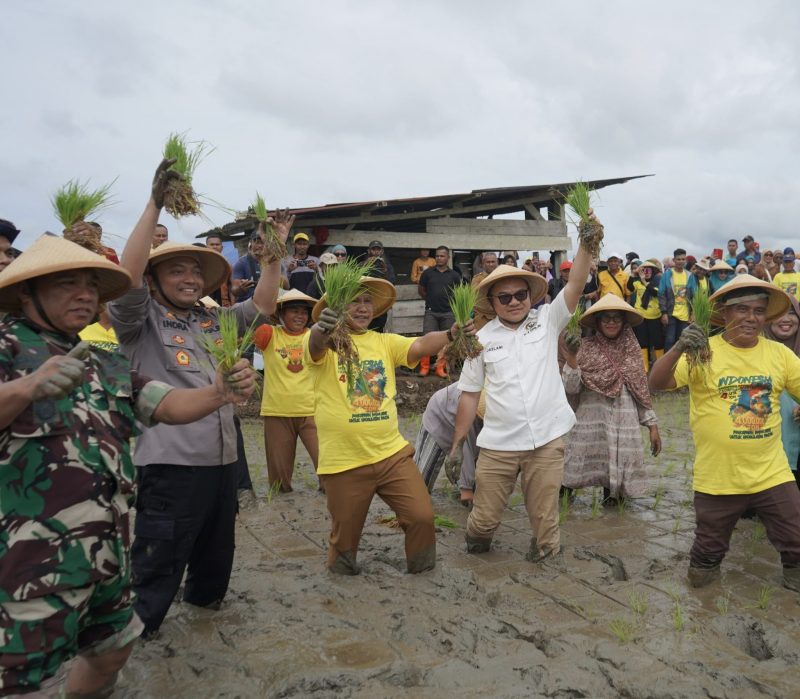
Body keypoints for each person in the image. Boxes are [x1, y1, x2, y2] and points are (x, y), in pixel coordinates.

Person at [0, 235, 255, 698]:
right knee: (23, 678)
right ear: (26, 291)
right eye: (68, 284)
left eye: (91, 286)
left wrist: (219, 391)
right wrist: (25, 389)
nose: (85, 295)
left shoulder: (103, 361)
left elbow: (171, 404)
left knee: (114, 651)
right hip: (29, 559)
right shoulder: (7, 348)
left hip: (105, 547)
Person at [107, 159, 290, 636]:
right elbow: (124, 279)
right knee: (155, 575)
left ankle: (204, 638)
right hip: (170, 471)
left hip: (223, 466)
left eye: (195, 271)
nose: (189, 278)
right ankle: (139, 649)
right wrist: (153, 204)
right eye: (176, 270)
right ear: (154, 278)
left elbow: (266, 306)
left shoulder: (213, 321)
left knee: (212, 574)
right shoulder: (139, 319)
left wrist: (274, 256)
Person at [449, 211, 599, 562]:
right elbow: (470, 395)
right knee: (483, 523)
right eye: (505, 298)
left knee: (547, 527)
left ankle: (546, 563)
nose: (514, 301)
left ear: (530, 295)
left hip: (546, 440)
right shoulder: (481, 340)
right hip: (499, 445)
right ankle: (477, 543)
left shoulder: (547, 320)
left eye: (520, 294)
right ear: (493, 303)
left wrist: (586, 241)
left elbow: (576, 283)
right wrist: (457, 446)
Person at [307, 276, 476, 575]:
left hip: (391, 456)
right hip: (344, 462)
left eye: (367, 301)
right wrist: (322, 328)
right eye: (353, 301)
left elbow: (422, 344)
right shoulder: (328, 345)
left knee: (422, 517)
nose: (362, 308)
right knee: (344, 538)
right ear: (337, 307)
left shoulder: (383, 342)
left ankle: (423, 574)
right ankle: (342, 582)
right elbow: (315, 345)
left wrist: (451, 334)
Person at [649, 274, 800, 591]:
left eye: (759, 311)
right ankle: (701, 601)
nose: (751, 318)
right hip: (718, 476)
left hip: (771, 472)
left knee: (796, 538)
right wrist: (678, 346)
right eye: (742, 309)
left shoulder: (779, 355)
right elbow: (657, 383)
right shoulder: (703, 353)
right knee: (708, 551)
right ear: (725, 313)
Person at [561, 294, 660, 502]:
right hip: (591, 422)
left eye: (617, 318)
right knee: (571, 474)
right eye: (606, 318)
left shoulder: (632, 352)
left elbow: (640, 391)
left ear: (624, 322)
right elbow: (571, 388)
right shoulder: (584, 348)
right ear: (597, 322)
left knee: (616, 489)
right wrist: (571, 357)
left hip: (625, 425)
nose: (611, 322)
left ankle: (614, 499)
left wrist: (652, 427)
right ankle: (563, 503)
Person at [253, 289, 319, 492]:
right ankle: (282, 508)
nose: (300, 316)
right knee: (279, 481)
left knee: (328, 468)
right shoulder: (269, 334)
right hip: (277, 412)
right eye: (294, 311)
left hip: (313, 412)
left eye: (304, 312)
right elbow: (254, 318)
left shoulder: (314, 338)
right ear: (281, 314)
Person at [414, 385, 482, 506]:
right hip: (440, 415)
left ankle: (463, 486)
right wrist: (466, 489)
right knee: (418, 492)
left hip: (465, 424)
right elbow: (466, 445)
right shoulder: (474, 405)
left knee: (482, 491)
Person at [764, 297, 800, 486]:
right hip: (764, 446)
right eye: (780, 313)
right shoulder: (755, 350)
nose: (786, 319)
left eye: (792, 313)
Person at [418, 246, 462, 378]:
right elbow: (421, 290)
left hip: (448, 313)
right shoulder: (428, 273)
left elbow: (458, 293)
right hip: (431, 312)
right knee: (426, 338)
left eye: (442, 256)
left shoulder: (454, 275)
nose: (439, 258)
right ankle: (424, 367)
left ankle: (440, 368)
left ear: (448, 258)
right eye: (437, 256)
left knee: (446, 341)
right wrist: (431, 299)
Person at [629, 260, 664, 371]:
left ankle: (660, 367)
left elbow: (655, 293)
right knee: (642, 341)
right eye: (644, 270)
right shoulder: (638, 282)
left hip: (655, 317)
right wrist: (634, 274)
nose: (647, 272)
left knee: (658, 342)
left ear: (653, 271)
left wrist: (644, 281)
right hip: (641, 317)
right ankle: (645, 367)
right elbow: (629, 287)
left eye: (649, 270)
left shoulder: (658, 281)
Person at [658, 247, 690, 351]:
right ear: (674, 260)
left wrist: (693, 313)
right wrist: (663, 312)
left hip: (685, 314)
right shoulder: (667, 274)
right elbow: (661, 294)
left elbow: (694, 295)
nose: (681, 261)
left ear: (686, 260)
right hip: (671, 313)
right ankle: (667, 366)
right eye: (678, 259)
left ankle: (679, 365)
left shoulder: (689, 276)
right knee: (669, 340)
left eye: (683, 259)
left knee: (682, 341)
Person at [232, 230, 268, 301]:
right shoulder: (241, 263)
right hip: (248, 304)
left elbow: (287, 285)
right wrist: (241, 288)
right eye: (257, 242)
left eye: (263, 242)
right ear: (251, 243)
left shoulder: (273, 262)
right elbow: (234, 290)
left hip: (268, 303)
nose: (260, 246)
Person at [205, 232, 236, 306]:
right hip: (206, 306)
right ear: (206, 247)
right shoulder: (202, 264)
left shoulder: (227, 265)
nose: (215, 247)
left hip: (225, 306)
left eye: (217, 244)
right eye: (212, 244)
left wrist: (233, 305)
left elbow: (231, 286)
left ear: (222, 247)